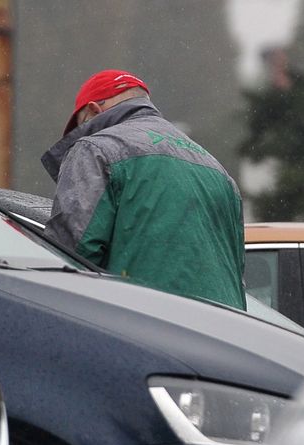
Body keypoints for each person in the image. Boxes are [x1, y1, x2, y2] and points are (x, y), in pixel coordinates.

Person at [40, 69, 246, 309]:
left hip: (146, 326)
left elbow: (71, 257)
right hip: (226, 333)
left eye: (82, 125)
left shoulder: (95, 149)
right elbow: (236, 271)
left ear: (95, 112)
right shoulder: (218, 172)